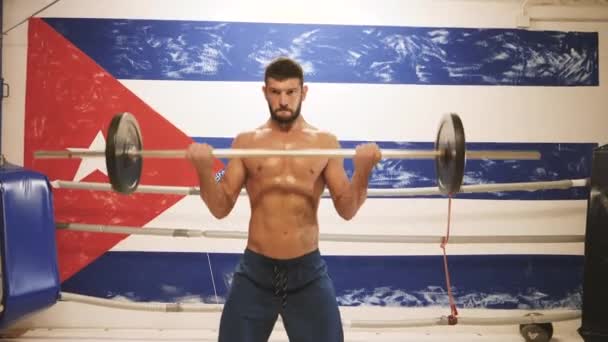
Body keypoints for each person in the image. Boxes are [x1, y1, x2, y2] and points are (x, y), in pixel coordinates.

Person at [186, 57, 381, 342]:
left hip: (307, 273)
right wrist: (204, 170)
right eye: (276, 92)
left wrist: (362, 172)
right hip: (256, 273)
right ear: (265, 92)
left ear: (304, 92)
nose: (283, 100)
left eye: (291, 92)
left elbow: (347, 209)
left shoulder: (325, 143)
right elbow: (220, 207)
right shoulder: (246, 143)